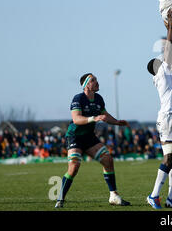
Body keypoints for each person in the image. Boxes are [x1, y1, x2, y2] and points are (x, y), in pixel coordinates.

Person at [55, 73, 131, 208]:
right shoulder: (78, 98)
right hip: (75, 136)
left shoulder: (99, 99)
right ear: (86, 86)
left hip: (89, 137)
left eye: (96, 79)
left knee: (108, 160)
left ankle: (113, 195)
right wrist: (93, 118)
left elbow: (105, 116)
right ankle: (60, 198)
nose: (97, 82)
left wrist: (117, 122)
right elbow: (76, 119)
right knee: (74, 167)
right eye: (93, 80)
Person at [146, 10, 172, 209]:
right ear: (156, 66)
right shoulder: (161, 72)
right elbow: (170, 49)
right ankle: (154, 195)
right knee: (170, 156)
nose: (163, 60)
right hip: (168, 117)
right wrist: (170, 27)